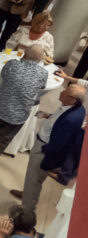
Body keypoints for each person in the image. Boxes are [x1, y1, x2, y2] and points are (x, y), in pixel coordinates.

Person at [11, 83, 86, 211]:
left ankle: (26, 210)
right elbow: (59, 122)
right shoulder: (75, 108)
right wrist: (48, 116)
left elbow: (58, 144)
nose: (61, 93)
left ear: (72, 99)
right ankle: (28, 196)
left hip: (44, 148)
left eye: (65, 92)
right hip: (46, 144)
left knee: (33, 179)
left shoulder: (70, 119)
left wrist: (43, 150)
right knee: (36, 179)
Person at [0, 45, 49, 165]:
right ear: (41, 60)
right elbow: (42, 87)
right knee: (5, 138)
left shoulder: (12, 64)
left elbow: (4, 76)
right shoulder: (42, 73)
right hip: (19, 113)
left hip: (1, 106)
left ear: (24, 54)